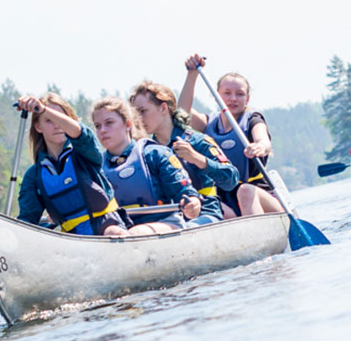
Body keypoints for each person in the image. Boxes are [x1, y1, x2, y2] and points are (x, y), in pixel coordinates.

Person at [132, 81, 270, 220]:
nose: (139, 118)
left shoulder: (197, 141)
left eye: (143, 111)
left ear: (163, 108)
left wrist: (197, 159)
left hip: (206, 212)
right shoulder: (147, 153)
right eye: (135, 113)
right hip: (172, 218)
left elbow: (231, 179)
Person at [179, 55, 286, 215]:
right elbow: (182, 112)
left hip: (259, 195)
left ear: (247, 99)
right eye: (227, 93)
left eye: (240, 94)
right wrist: (192, 74)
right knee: (205, 204)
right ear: (217, 96)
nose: (233, 99)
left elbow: (263, 141)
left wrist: (259, 147)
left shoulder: (253, 120)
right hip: (226, 199)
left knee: (245, 191)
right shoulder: (208, 124)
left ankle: (259, 234)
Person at [13, 93, 127, 237]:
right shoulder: (34, 175)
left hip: (108, 227)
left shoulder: (85, 152)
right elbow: (27, 219)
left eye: (60, 119)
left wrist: (43, 110)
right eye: (49, 120)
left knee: (114, 232)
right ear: (38, 127)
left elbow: (79, 133)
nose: (57, 125)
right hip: (71, 240)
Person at [89, 97, 208, 234]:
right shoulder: (97, 168)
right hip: (124, 228)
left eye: (109, 123)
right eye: (97, 126)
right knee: (111, 232)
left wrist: (192, 204)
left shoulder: (155, 154)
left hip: (166, 223)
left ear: (128, 125)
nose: (102, 130)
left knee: (135, 233)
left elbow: (185, 193)